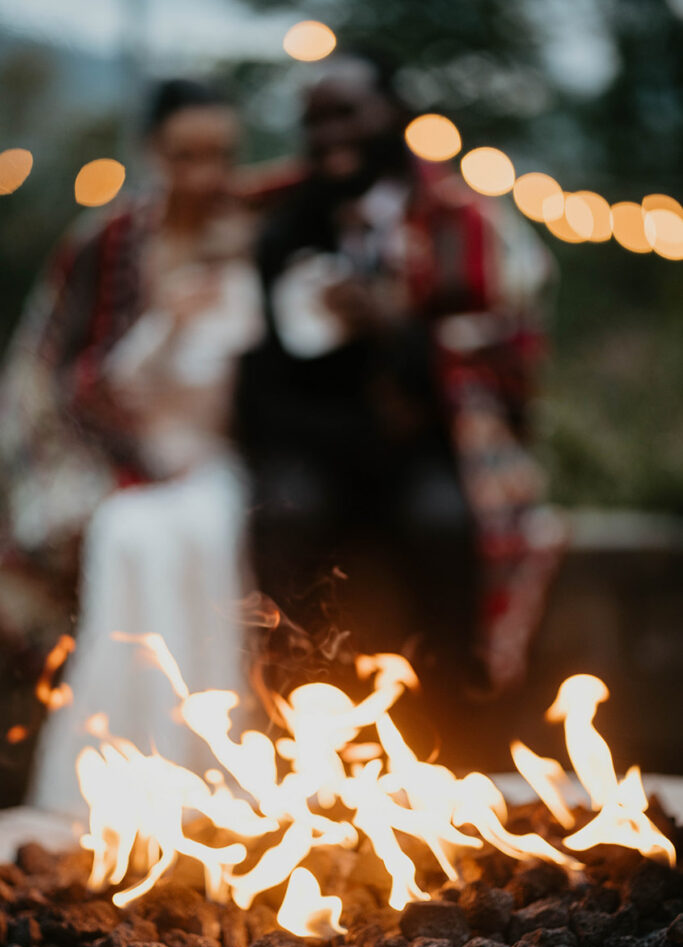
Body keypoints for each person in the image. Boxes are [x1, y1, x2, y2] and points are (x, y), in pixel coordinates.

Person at [237, 53, 565, 710]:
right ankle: (292, 716)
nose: (331, 134)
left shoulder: (462, 224)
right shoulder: (282, 225)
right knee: (281, 512)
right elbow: (259, 376)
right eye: (315, 120)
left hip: (422, 446)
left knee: (443, 522)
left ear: (393, 115)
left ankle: (449, 715)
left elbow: (504, 361)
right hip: (315, 444)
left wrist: (398, 331)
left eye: (346, 114)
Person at [0, 79, 263, 814]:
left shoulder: (252, 238)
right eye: (186, 155)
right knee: (128, 534)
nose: (205, 174)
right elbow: (67, 380)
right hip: (122, 458)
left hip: (214, 458)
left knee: (205, 527)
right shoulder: (108, 244)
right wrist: (168, 326)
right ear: (154, 153)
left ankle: (208, 767)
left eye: (220, 155)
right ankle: (119, 773)